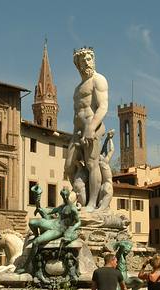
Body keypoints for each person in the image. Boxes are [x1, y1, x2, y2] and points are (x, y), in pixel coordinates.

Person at [65, 47, 108, 212]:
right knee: (69, 166)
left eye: (89, 59)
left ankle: (92, 203)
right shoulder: (78, 88)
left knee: (92, 164)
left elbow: (103, 107)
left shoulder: (99, 80)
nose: (87, 63)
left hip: (93, 126)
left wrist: (91, 127)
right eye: (83, 61)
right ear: (78, 65)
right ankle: (80, 198)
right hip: (77, 131)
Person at [16, 188, 81, 274]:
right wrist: (37, 202)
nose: (64, 197)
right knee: (32, 222)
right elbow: (48, 211)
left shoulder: (72, 209)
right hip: (52, 223)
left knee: (36, 242)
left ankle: (26, 266)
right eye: (62, 196)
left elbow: (79, 222)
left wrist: (72, 229)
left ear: (68, 195)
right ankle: (36, 235)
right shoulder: (61, 207)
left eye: (65, 196)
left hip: (59, 229)